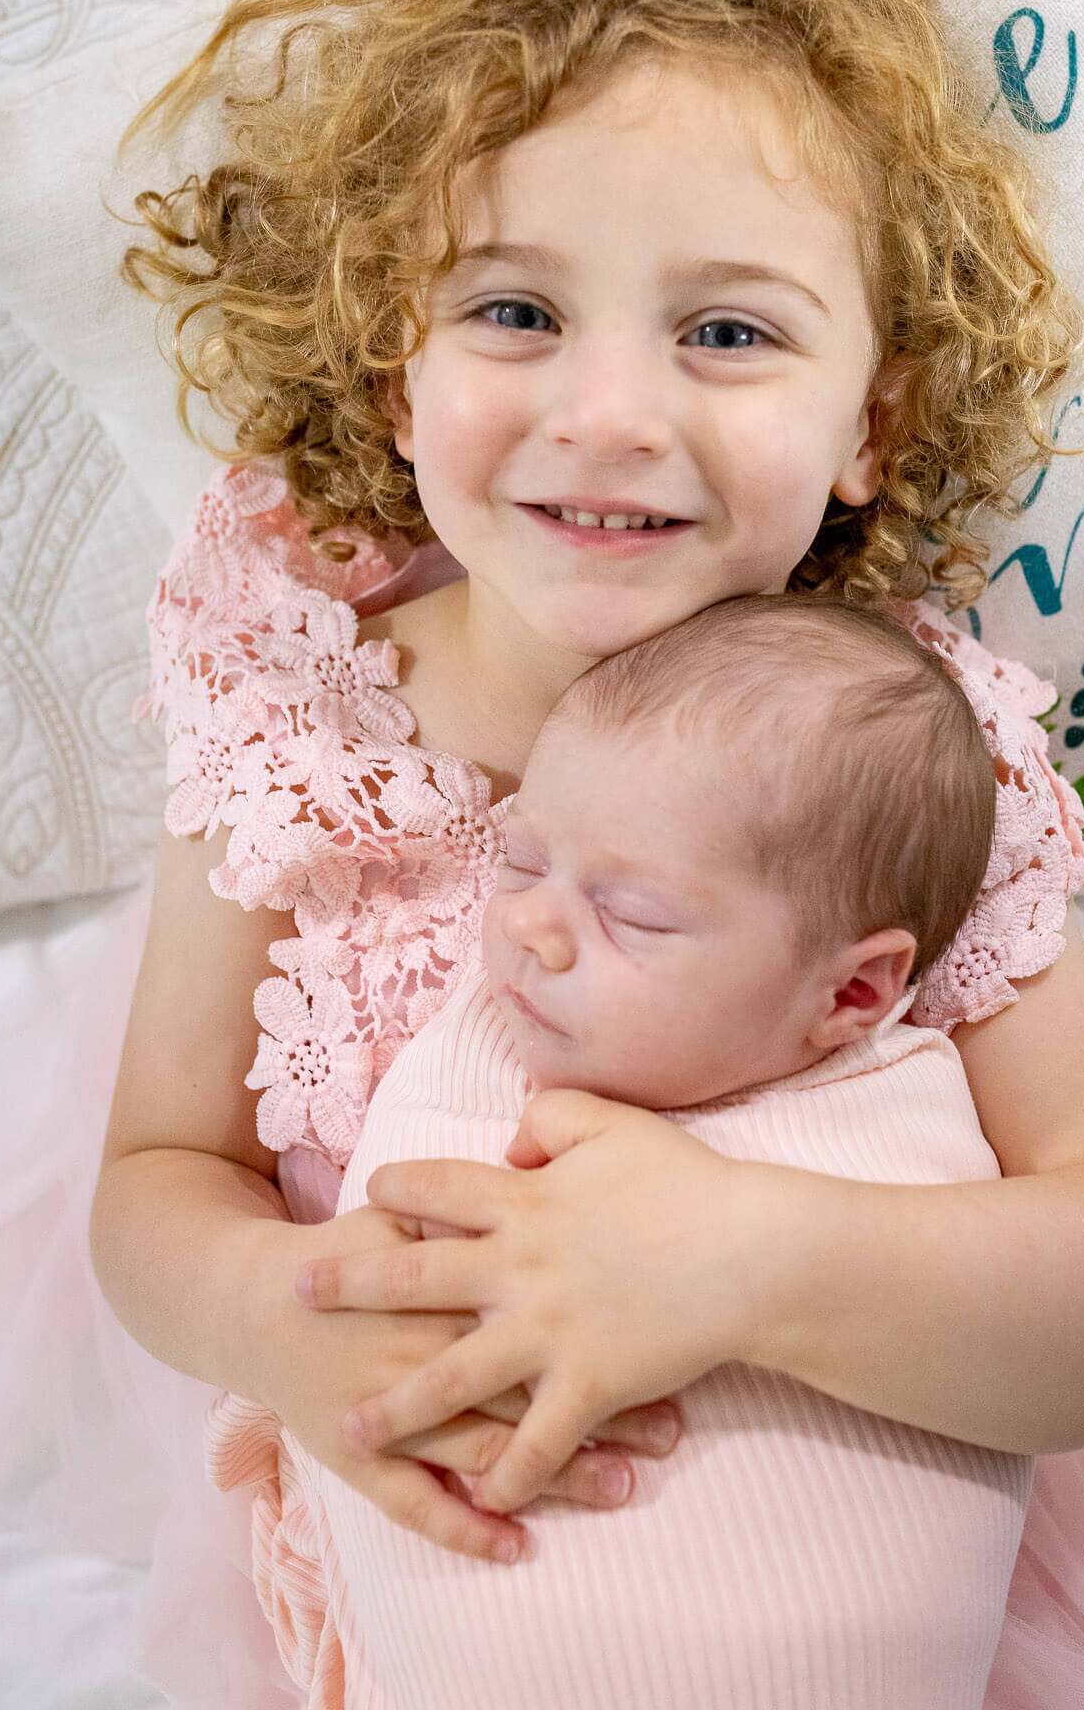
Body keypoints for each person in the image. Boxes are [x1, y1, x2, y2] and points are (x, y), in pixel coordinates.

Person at [79, 0, 1084, 1707]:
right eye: (513, 311)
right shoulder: (307, 707)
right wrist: (284, 1322)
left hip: (853, 1579)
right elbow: (159, 1173)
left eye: (728, 330)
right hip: (447, 1585)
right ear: (392, 366)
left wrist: (743, 1261)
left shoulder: (896, 756)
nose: (609, 413)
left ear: (868, 422)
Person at [268, 592, 1029, 1708]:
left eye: (634, 911)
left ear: (854, 989)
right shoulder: (473, 1044)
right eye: (522, 860)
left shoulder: (901, 1105)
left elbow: (1070, 1318)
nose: (530, 925)